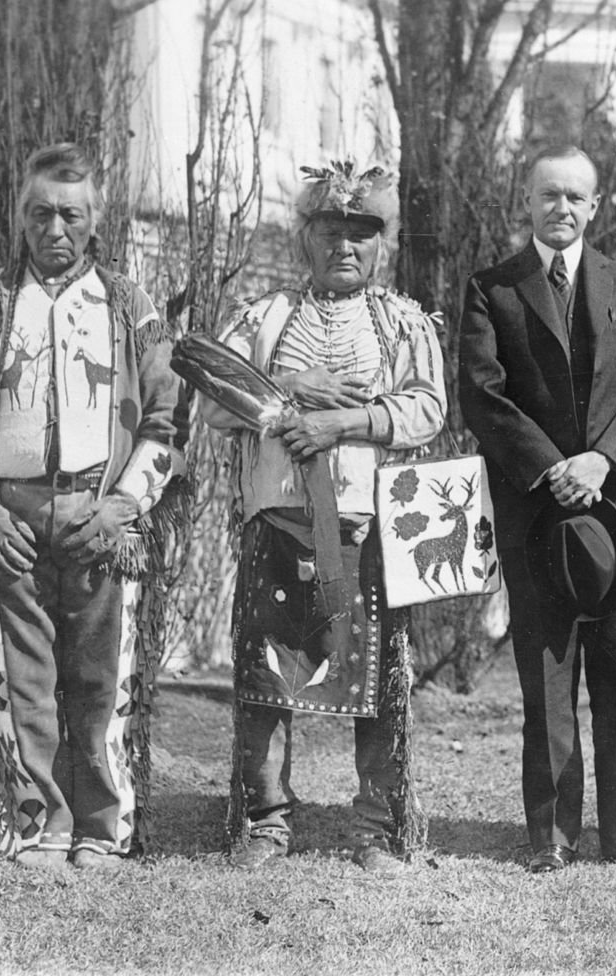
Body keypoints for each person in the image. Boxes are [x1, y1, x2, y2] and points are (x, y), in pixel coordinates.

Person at [0, 143, 189, 872]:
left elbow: (165, 419)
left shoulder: (129, 307)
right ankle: (41, 824)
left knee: (103, 680)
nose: (55, 229)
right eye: (40, 214)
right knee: (24, 678)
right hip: (9, 519)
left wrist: (124, 506)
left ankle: (103, 828)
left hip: (101, 516)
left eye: (71, 214)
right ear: (21, 219)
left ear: (95, 219)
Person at [198, 161, 446, 872]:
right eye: (330, 231)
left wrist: (345, 422)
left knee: (377, 682)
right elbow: (214, 401)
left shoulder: (402, 321)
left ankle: (374, 828)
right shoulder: (263, 317)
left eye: (360, 234)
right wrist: (287, 387)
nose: (344, 246)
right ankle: (265, 822)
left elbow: (428, 409)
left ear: (380, 244)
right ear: (305, 237)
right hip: (277, 525)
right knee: (265, 679)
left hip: (368, 532)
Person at [459, 146, 616, 873]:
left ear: (595, 206)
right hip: (537, 514)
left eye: (575, 197)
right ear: (527, 201)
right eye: (549, 194)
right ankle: (551, 836)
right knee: (548, 681)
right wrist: (553, 468)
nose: (562, 208)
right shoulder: (493, 289)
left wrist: (603, 461)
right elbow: (482, 394)